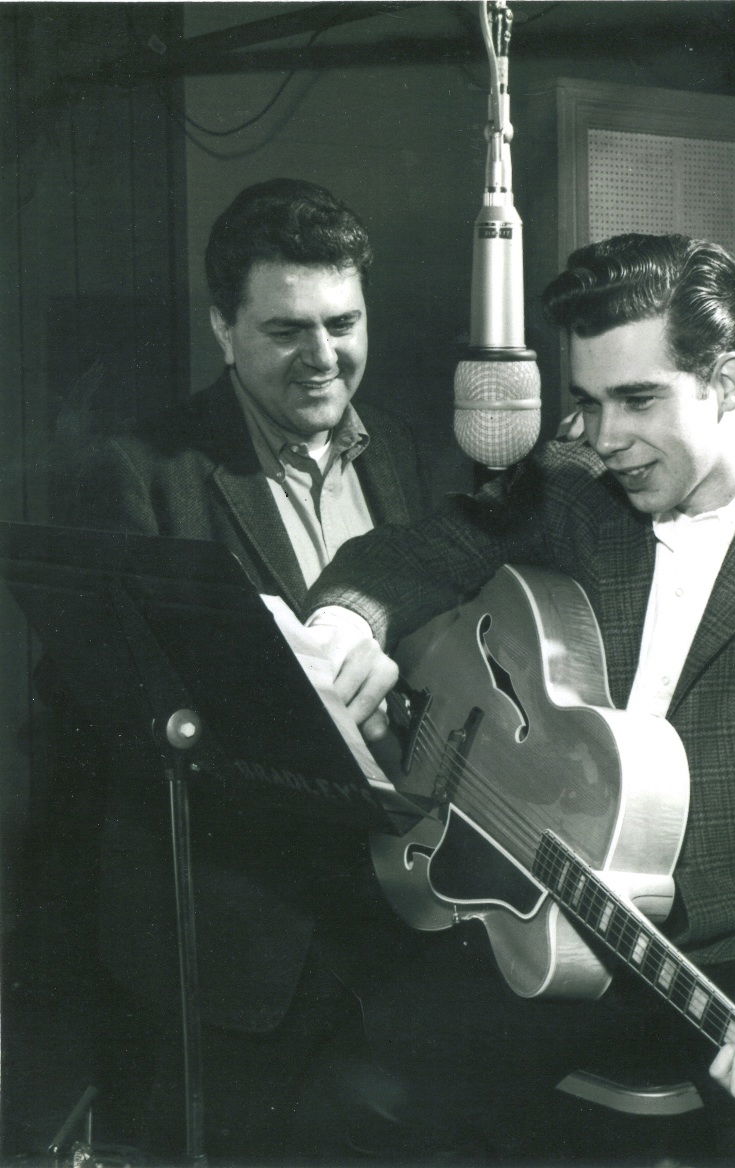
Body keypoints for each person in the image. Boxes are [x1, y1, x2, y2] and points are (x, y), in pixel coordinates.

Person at [301, 232, 735, 1160]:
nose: (604, 438)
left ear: (728, 381)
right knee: (361, 1085)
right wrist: (353, 622)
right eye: (588, 403)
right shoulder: (576, 482)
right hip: (547, 913)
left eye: (638, 400)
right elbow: (420, 552)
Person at [41, 177, 433, 1160]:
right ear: (223, 328)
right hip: (234, 952)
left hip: (391, 928)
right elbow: (84, 702)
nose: (324, 356)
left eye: (343, 323)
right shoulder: (141, 472)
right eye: (285, 329)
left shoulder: (412, 458)